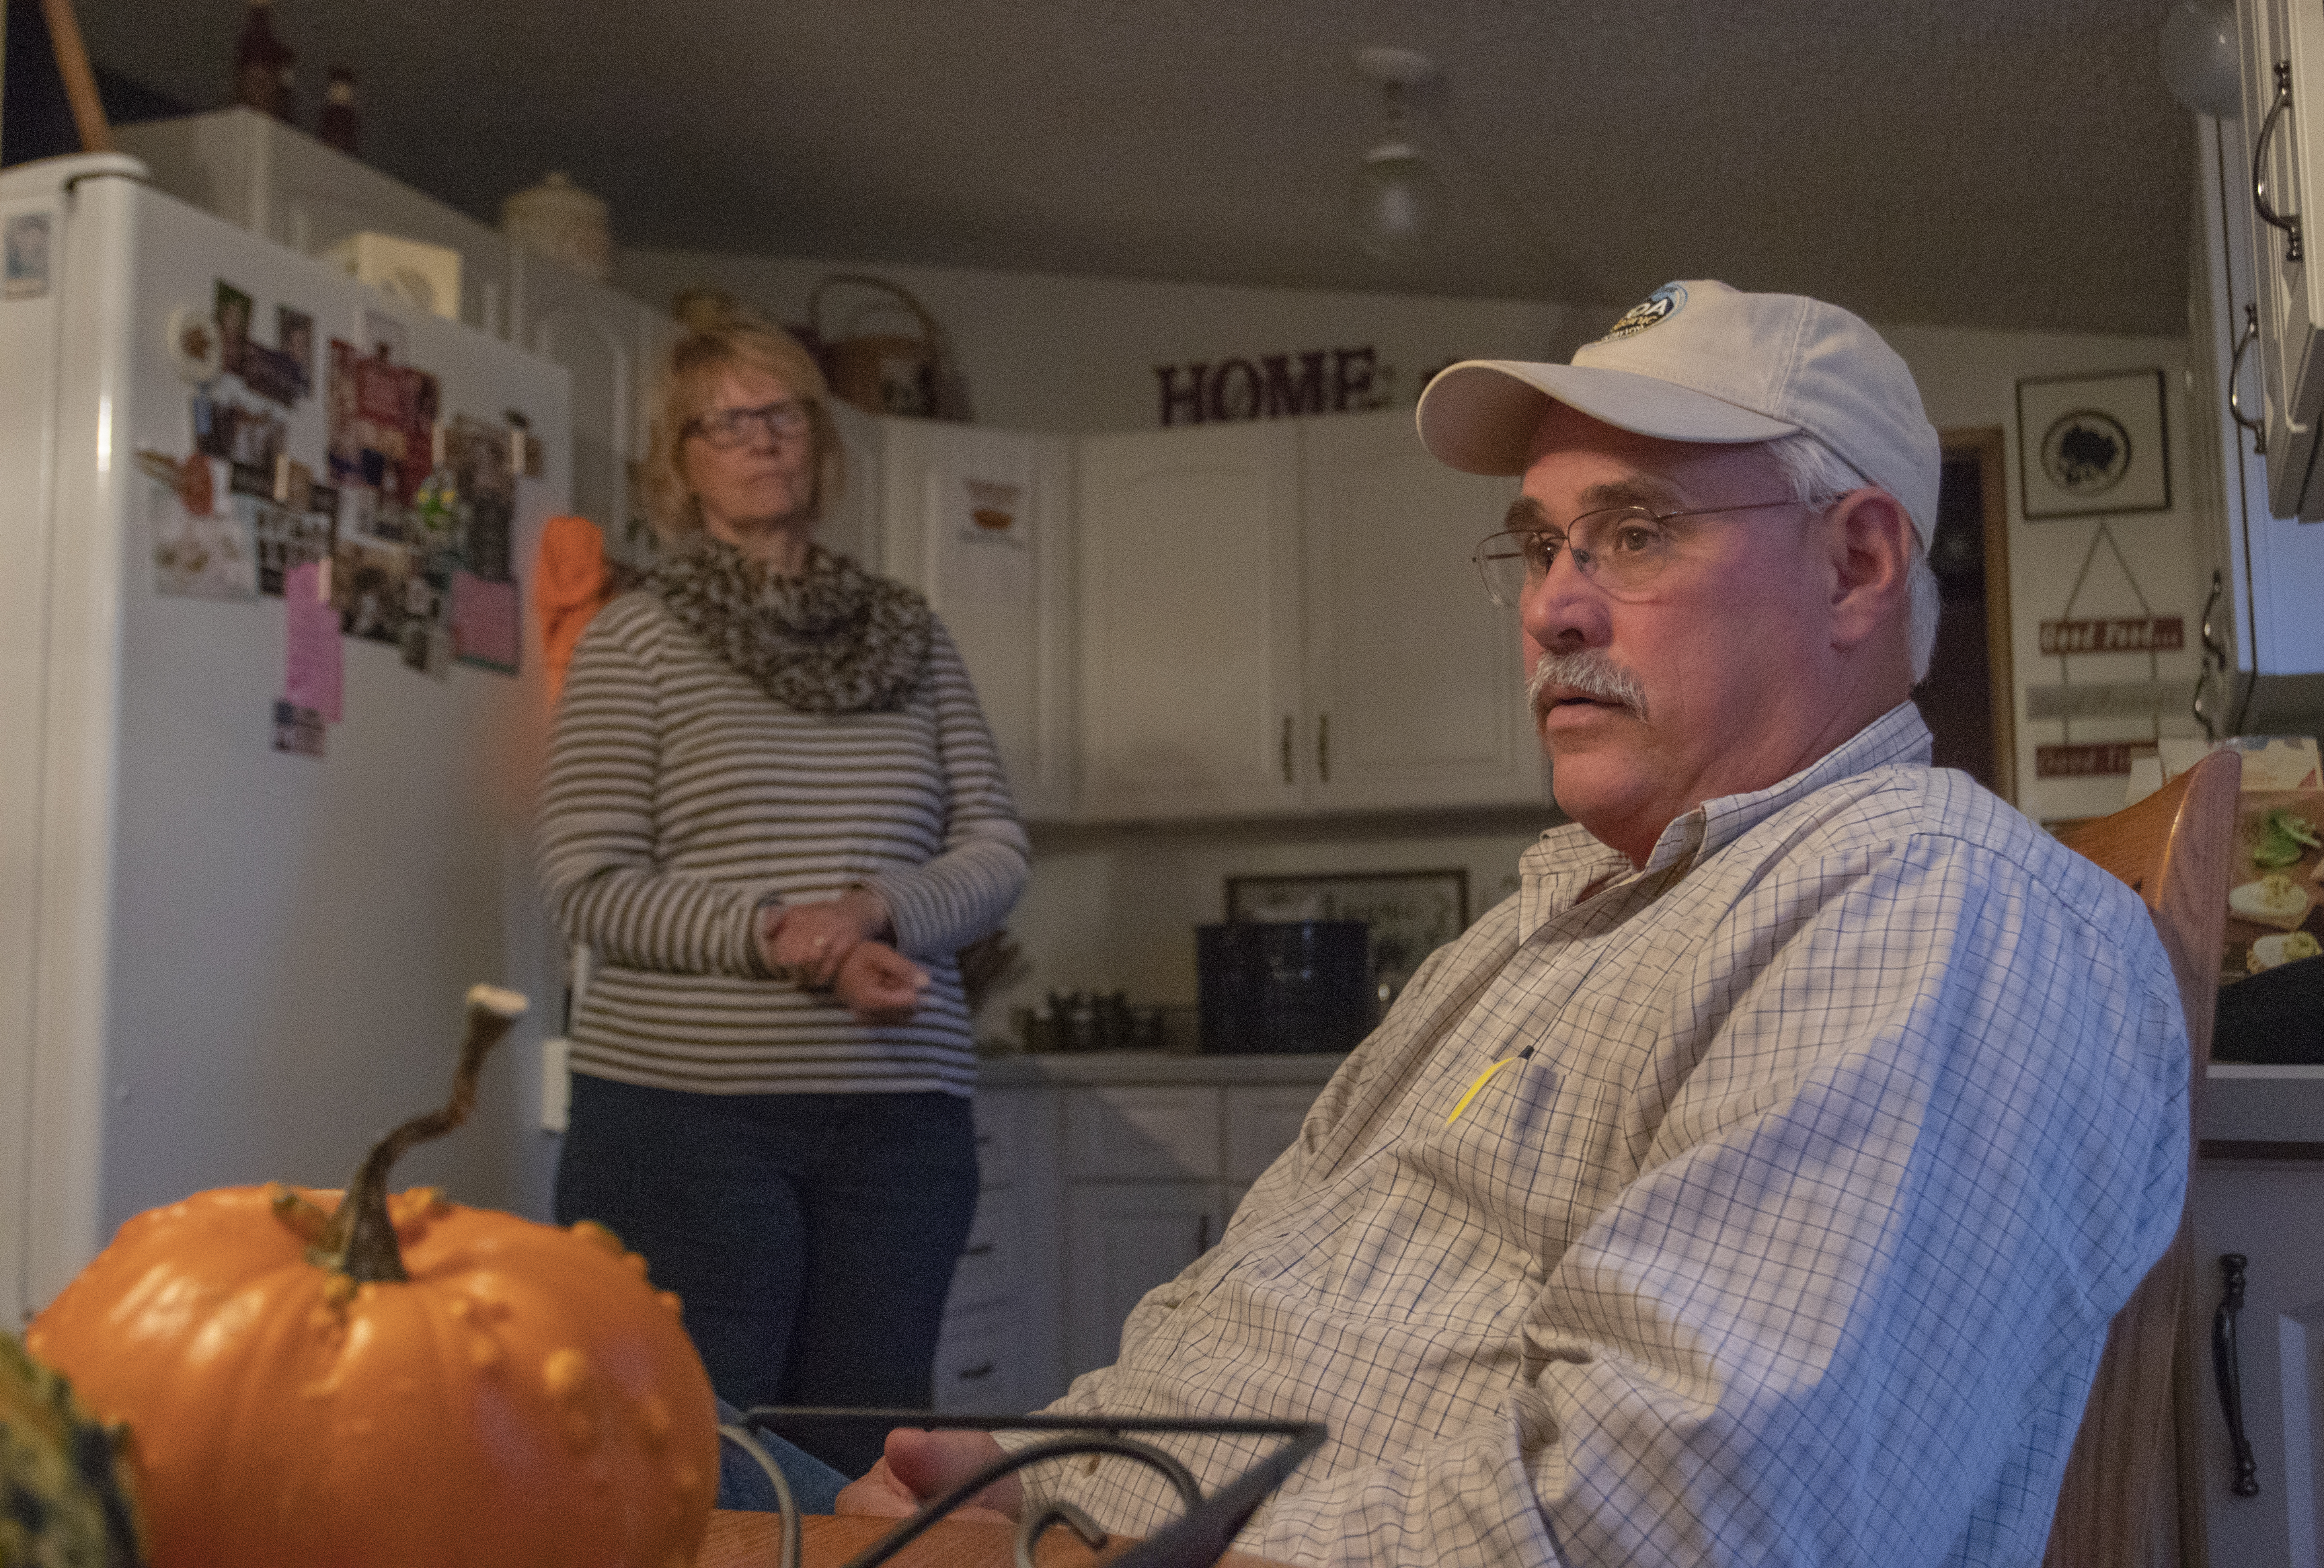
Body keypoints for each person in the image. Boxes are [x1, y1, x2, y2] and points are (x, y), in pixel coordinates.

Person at [835, 282, 2189, 1565]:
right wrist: (1024, 1472)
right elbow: (1233, 1332)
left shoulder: (1919, 902)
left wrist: (1088, 1544)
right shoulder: (1536, 930)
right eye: (1542, 544)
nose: (1551, 606)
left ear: (1855, 563)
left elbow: (1668, 1528)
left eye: (1638, 531)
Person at [536, 303, 1028, 1477]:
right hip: (677, 1122)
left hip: (900, 1124)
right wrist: (784, 939)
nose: (759, 439)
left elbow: (996, 846)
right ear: (679, 463)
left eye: (781, 413)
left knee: (865, 1456)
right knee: (685, 1456)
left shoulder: (914, 635)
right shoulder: (634, 640)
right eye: (724, 422)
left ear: (819, 439)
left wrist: (869, 912)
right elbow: (587, 882)